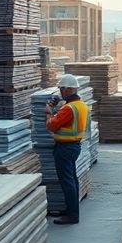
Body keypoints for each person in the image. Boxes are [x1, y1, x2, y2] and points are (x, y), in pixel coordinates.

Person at [44, 74, 89, 225]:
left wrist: (49, 109)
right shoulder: (80, 105)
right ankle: (71, 210)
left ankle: (72, 215)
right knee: (72, 179)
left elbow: (51, 125)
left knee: (67, 181)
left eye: (62, 89)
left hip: (65, 148)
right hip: (74, 147)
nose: (60, 92)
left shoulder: (69, 108)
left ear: (69, 89)